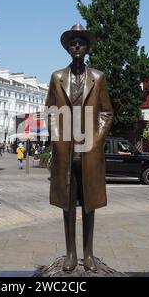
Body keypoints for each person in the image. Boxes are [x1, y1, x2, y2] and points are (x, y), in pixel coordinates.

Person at [46, 24, 113, 272]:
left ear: (87, 47)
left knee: (89, 205)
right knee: (67, 204)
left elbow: (106, 111)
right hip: (66, 150)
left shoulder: (98, 77)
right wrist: (56, 139)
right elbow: (51, 111)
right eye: (72, 42)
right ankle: (71, 254)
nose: (76, 46)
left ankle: (89, 254)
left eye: (81, 42)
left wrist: (97, 138)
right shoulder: (56, 77)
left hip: (89, 150)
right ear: (67, 47)